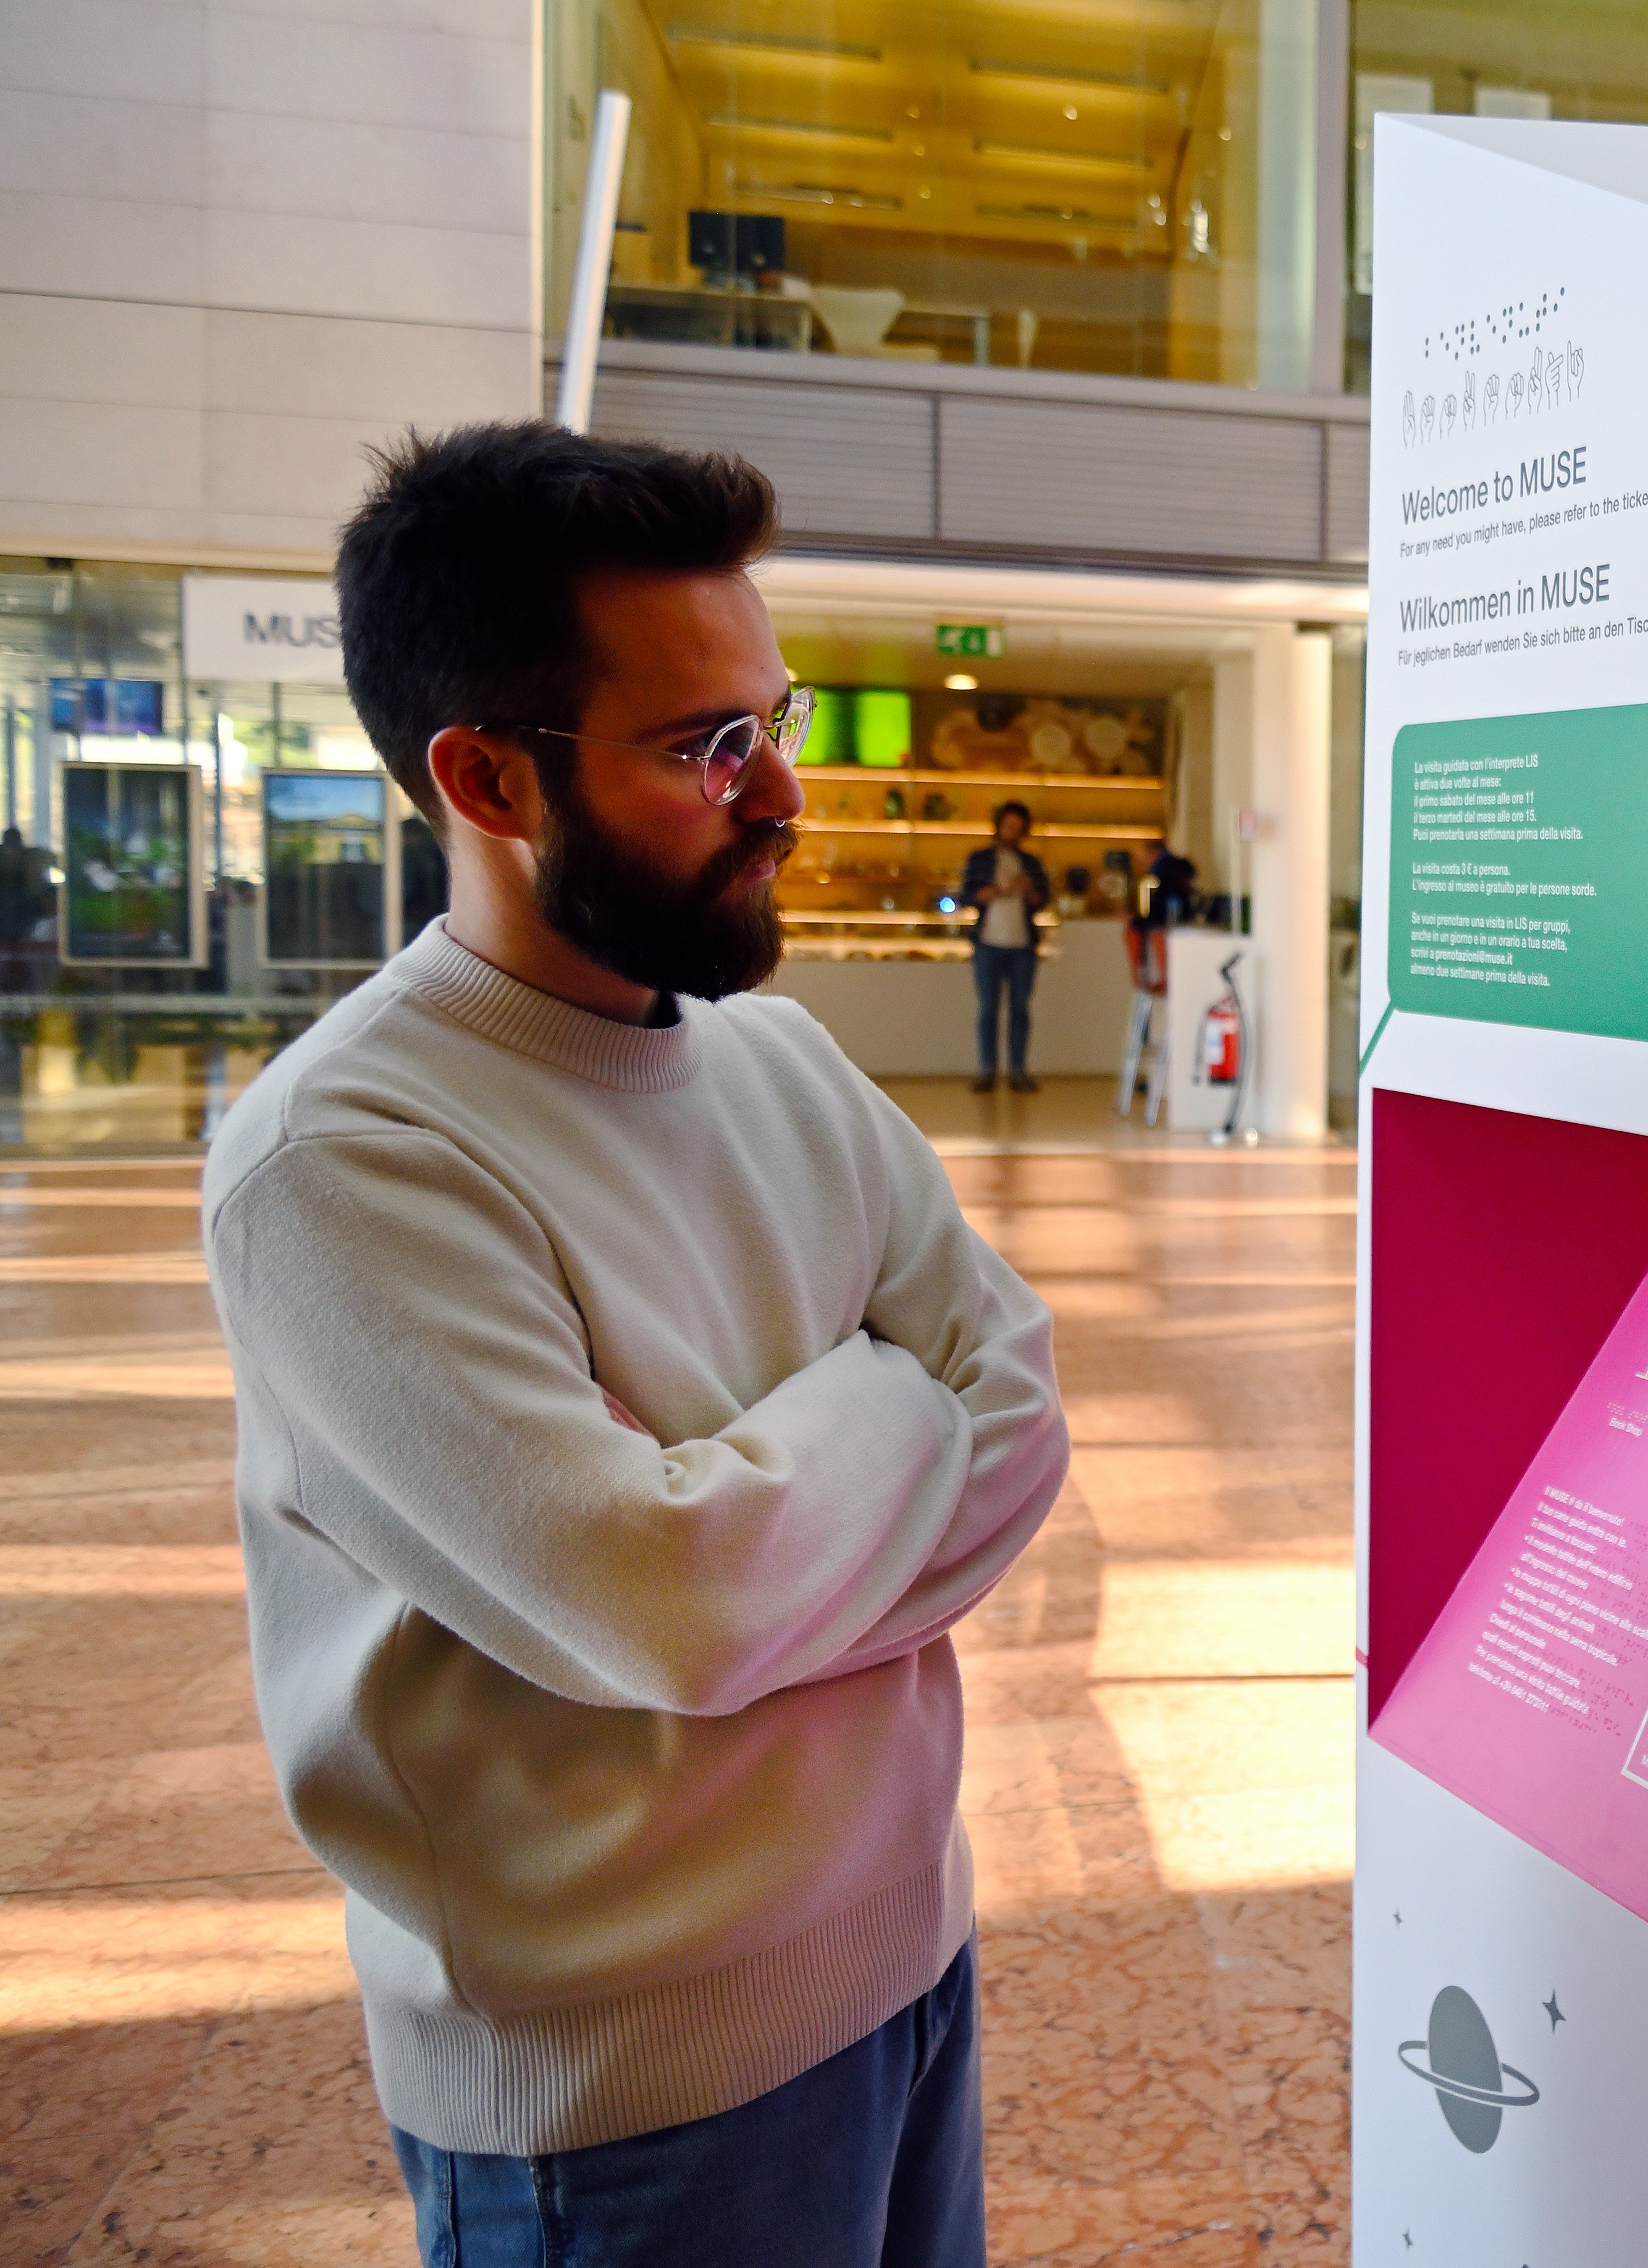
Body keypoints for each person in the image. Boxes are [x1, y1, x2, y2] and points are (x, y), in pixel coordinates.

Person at [203, 423, 1069, 2267]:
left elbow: (1022, 1413)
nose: (784, 795)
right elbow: (667, 1596)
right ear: (486, 775)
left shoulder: (785, 1061)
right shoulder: (345, 1156)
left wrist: (753, 1516)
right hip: (621, 2104)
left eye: (778, 717)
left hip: (912, 1960)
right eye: (708, 745)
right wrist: (892, 1389)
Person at [960, 801, 1046, 1094]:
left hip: (1023, 946)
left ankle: (1017, 1070)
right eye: (1009, 827)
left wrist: (1028, 889)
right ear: (999, 826)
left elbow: (1043, 900)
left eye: (1018, 829)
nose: (1012, 833)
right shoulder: (980, 859)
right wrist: (998, 890)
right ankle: (988, 1069)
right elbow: (968, 896)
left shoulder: (1031, 863)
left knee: (1020, 1009)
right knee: (989, 1010)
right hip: (988, 943)